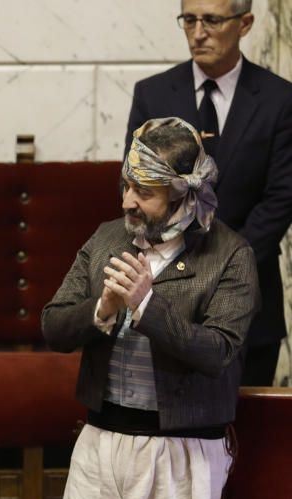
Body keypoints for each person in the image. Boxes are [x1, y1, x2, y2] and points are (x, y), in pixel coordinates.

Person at [43, 117, 259, 499]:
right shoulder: (106, 238)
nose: (128, 200)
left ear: (185, 190)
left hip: (184, 452)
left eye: (146, 189)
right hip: (102, 444)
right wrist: (102, 310)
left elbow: (219, 351)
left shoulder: (230, 255)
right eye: (126, 184)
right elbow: (52, 325)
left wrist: (146, 306)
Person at [125, 0, 292, 385]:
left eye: (212, 20)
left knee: (249, 433)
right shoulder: (153, 94)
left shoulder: (279, 99)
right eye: (189, 20)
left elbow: (281, 197)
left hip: (251, 293)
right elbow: (137, 183)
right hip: (164, 292)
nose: (198, 33)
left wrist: (229, 265)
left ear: (245, 23)